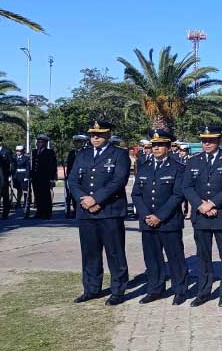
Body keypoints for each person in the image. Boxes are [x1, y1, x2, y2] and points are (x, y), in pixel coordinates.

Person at [68, 120, 131, 306]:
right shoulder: (83, 154)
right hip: (86, 212)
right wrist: (84, 200)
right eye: (92, 135)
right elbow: (72, 180)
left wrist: (96, 199)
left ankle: (118, 291)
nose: (95, 138)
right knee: (90, 253)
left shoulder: (119, 154)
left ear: (108, 135)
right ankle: (91, 289)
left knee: (115, 253)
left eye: (100, 134)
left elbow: (118, 181)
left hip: (110, 212)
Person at [183, 125, 222, 307]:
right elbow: (187, 186)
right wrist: (201, 205)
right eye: (204, 140)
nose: (207, 143)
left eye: (211, 140)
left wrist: (212, 203)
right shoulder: (194, 160)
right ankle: (204, 291)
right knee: (203, 255)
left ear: (219, 140)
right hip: (201, 215)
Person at [131, 129, 189, 305]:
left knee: (175, 257)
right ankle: (155, 289)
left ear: (169, 147)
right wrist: (146, 214)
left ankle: (180, 290)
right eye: (154, 145)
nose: (156, 148)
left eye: (160, 145)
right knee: (152, 257)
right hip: (148, 221)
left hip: (169, 221)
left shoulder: (178, 167)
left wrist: (160, 216)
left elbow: (177, 195)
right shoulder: (144, 167)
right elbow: (136, 194)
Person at [31, 134, 58, 219]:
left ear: (45, 143)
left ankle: (47, 213)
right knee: (37, 194)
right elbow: (32, 165)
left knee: (45, 195)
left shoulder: (49, 152)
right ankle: (39, 212)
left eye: (41, 142)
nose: (38, 144)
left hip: (45, 177)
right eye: (38, 142)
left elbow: (53, 165)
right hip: (36, 177)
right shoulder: (34, 152)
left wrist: (52, 178)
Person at [65, 135, 88, 218]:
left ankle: (82, 210)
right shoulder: (72, 153)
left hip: (84, 177)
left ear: (84, 143)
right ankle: (75, 210)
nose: (77, 144)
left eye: (79, 142)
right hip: (73, 177)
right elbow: (69, 166)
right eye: (76, 142)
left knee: (83, 194)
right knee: (72, 194)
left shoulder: (87, 152)